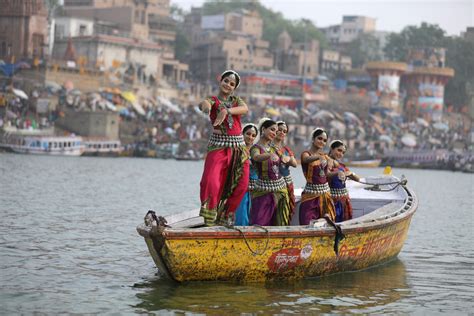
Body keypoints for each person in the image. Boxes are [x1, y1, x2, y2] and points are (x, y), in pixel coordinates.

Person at [198, 70, 250, 226]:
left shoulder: (236, 101)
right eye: (226, 81)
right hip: (218, 147)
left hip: (239, 149)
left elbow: (245, 109)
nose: (228, 85)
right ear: (220, 81)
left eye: (232, 84)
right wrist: (206, 108)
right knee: (211, 181)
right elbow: (205, 104)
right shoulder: (213, 99)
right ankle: (209, 218)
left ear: (235, 88)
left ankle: (226, 215)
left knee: (242, 184)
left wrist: (226, 111)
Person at [250, 119, 292, 226]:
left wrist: (286, 158)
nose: (274, 133)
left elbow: (285, 160)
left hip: (281, 191)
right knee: (259, 222)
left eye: (276, 131)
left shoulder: (274, 148)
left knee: (280, 223)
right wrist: (269, 155)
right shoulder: (256, 148)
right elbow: (256, 157)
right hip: (263, 192)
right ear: (263, 129)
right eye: (272, 130)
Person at [299, 128, 336, 225]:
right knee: (307, 222)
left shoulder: (324, 156)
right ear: (313, 139)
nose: (322, 142)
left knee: (327, 223)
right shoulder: (306, 154)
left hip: (325, 195)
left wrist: (339, 172)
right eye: (320, 138)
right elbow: (306, 159)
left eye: (324, 141)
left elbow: (327, 173)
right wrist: (319, 157)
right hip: (310, 195)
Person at [328, 140, 361, 222]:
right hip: (330, 200)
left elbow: (358, 179)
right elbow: (326, 174)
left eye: (343, 152)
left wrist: (350, 173)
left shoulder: (341, 166)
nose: (340, 154)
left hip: (343, 200)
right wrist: (337, 173)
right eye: (339, 150)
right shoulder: (326, 161)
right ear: (331, 149)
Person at [234, 123, 258, 226]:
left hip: (256, 189)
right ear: (242, 134)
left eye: (253, 135)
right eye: (248, 134)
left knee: (254, 214)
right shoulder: (237, 150)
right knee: (242, 214)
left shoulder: (257, 151)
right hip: (241, 188)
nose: (250, 137)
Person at [274, 121, 297, 217]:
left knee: (285, 212)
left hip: (287, 183)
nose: (282, 132)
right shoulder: (267, 148)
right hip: (272, 184)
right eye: (279, 130)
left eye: (284, 131)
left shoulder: (286, 149)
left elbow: (295, 164)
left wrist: (287, 159)